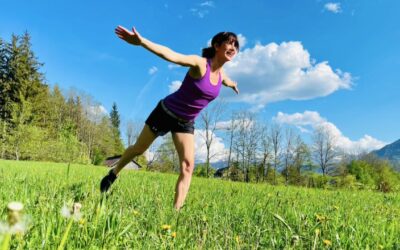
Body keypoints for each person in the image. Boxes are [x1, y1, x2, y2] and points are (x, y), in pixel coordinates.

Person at [100, 25, 240, 210]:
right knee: (138, 149)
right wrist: (142, 42)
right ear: (216, 45)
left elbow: (226, 80)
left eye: (236, 45)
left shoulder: (222, 75)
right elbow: (171, 55)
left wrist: (232, 84)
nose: (233, 48)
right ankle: (114, 172)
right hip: (166, 112)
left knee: (188, 165)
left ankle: (175, 213)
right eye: (229, 43)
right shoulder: (199, 64)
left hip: (185, 122)